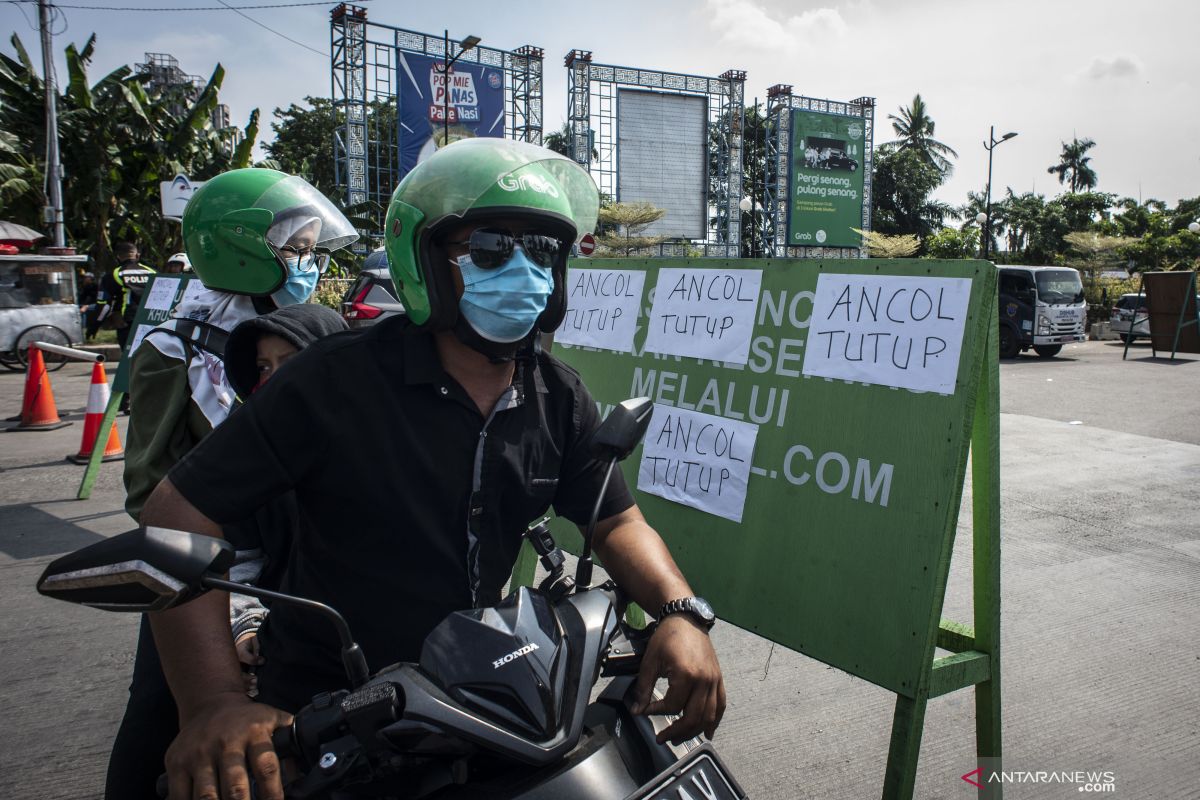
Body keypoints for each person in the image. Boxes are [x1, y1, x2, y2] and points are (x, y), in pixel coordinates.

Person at [139, 138, 726, 800]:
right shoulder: (329, 384)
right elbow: (175, 514)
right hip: (326, 724)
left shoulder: (557, 396)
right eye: (491, 250)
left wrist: (679, 612)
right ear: (423, 259)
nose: (524, 271)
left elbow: (616, 520)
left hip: (488, 698)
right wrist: (213, 701)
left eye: (541, 252)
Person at [105, 168, 358, 800]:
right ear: (240, 246)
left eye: (309, 249)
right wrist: (199, 558)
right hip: (208, 568)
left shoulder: (319, 332)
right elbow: (150, 483)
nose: (306, 262)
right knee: (167, 710)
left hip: (306, 567)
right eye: (293, 247)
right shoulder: (177, 348)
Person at [96, 241, 156, 352]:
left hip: (127, 322)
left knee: (128, 356)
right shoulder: (152, 272)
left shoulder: (114, 274)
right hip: (151, 319)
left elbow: (103, 305)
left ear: (118, 257)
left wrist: (95, 325)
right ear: (137, 255)